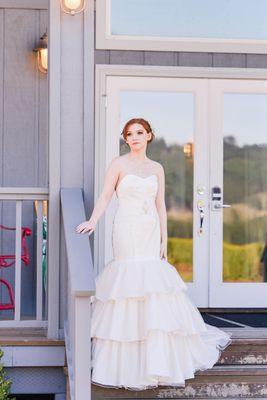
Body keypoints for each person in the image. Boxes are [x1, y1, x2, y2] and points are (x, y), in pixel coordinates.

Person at [76, 117, 232, 390]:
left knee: (153, 287)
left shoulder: (156, 168)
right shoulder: (118, 165)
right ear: (126, 139)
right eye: (129, 134)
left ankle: (156, 361)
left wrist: (165, 239)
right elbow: (104, 197)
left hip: (150, 229)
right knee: (129, 282)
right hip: (126, 228)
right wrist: (92, 220)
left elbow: (160, 205)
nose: (133, 137)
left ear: (149, 135)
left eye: (139, 132)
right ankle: (128, 362)